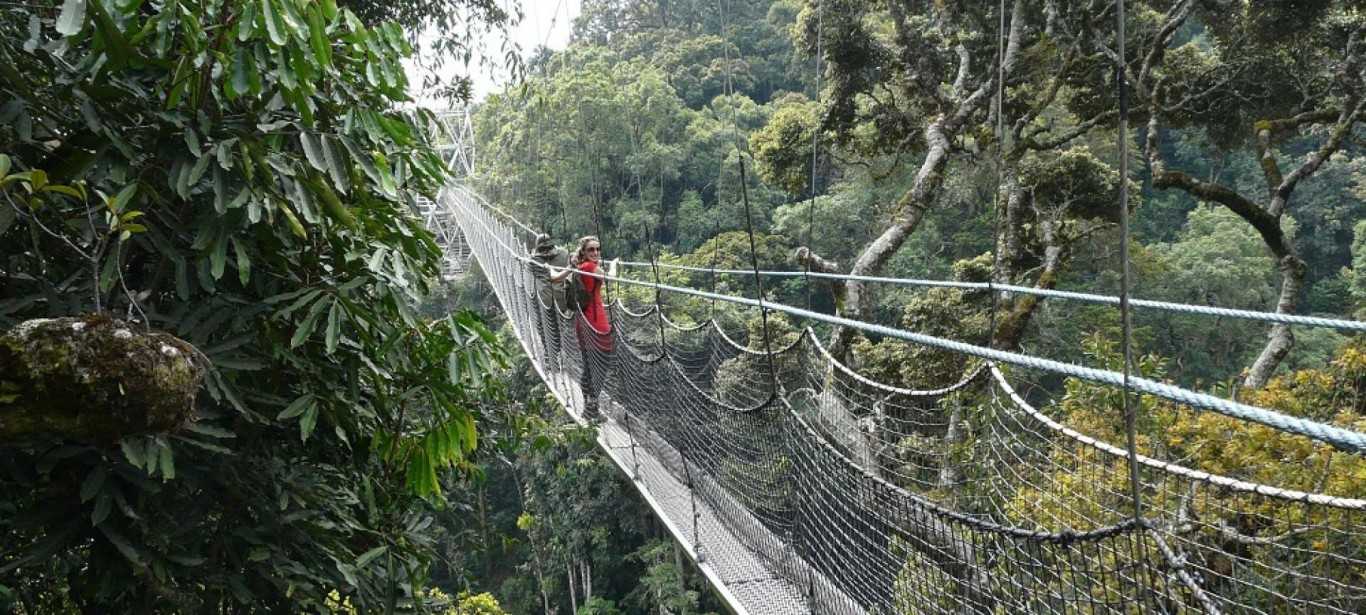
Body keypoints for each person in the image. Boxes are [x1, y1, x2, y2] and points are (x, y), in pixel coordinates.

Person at [561, 235, 617, 420]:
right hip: (595, 324)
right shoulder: (591, 267)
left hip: (582, 323)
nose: (595, 252)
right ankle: (591, 409)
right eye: (591, 249)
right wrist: (615, 265)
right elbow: (611, 278)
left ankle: (590, 408)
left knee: (589, 368)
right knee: (601, 366)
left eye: (597, 249)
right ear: (583, 252)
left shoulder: (578, 267)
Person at [528, 234, 570, 367]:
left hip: (545, 301)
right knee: (559, 329)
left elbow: (551, 276)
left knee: (545, 328)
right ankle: (557, 357)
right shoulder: (565, 254)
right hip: (563, 299)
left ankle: (550, 358)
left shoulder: (535, 260)